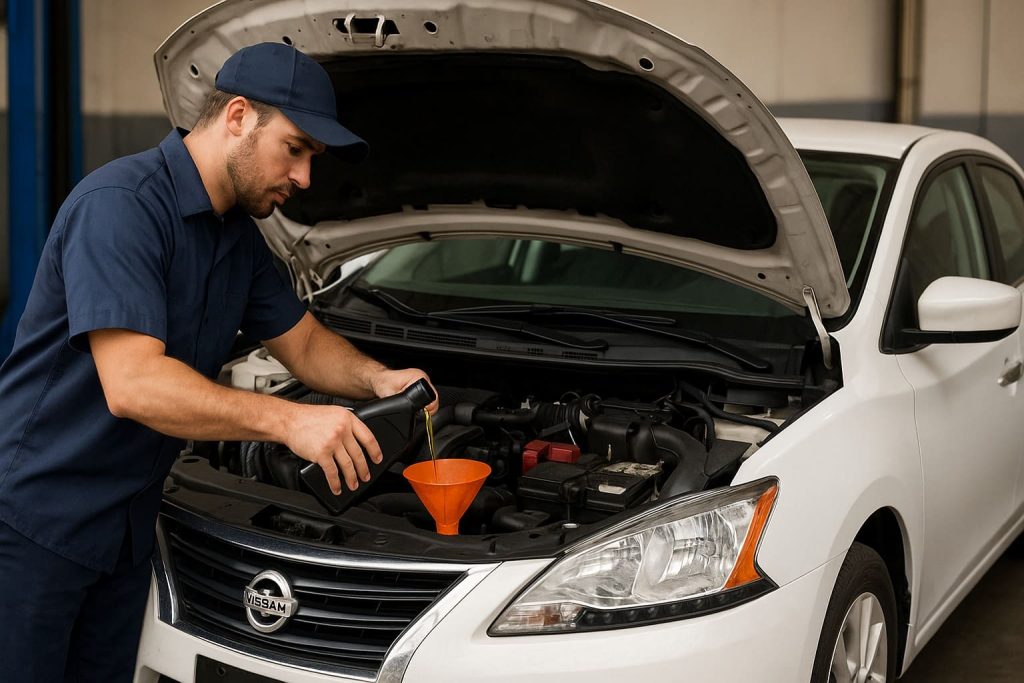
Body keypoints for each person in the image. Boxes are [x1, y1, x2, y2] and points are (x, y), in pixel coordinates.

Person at [0, 42, 435, 682]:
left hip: (127, 534)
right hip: (36, 530)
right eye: (295, 148)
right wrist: (289, 422)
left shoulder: (236, 238)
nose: (306, 179)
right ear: (237, 117)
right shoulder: (121, 207)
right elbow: (134, 385)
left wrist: (379, 380)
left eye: (313, 158)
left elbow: (306, 344)